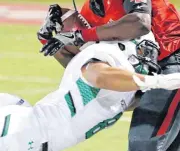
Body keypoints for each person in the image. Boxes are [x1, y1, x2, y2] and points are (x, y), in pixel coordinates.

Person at [38, 0, 180, 151]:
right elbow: (85, 68)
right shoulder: (92, 8)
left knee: (144, 144)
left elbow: (139, 23)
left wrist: (80, 34)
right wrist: (51, 41)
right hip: (150, 75)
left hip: (172, 62)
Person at [1, 35, 180, 151]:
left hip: (27, 129)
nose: (149, 58)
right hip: (18, 134)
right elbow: (98, 75)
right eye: (144, 51)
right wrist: (157, 81)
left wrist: (159, 85)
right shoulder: (106, 57)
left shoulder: (124, 86)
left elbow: (132, 99)